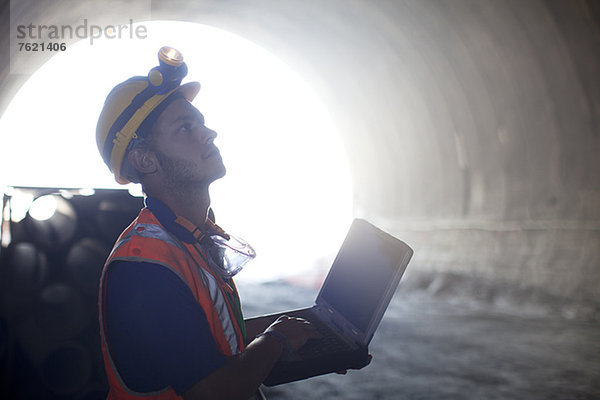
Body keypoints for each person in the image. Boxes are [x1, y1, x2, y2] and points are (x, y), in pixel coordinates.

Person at [95, 47, 321, 400]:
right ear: (144, 158)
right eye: (186, 127)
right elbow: (211, 392)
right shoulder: (144, 267)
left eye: (201, 122)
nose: (209, 133)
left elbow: (210, 339)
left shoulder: (187, 236)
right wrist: (276, 342)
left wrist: (300, 334)